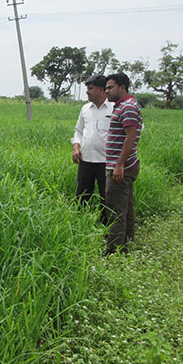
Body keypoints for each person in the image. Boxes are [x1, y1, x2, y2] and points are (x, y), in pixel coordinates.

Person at [104, 72, 143, 255]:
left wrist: (119, 164)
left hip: (121, 168)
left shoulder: (127, 107)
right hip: (122, 165)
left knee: (115, 212)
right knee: (126, 210)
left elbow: (131, 136)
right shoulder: (123, 106)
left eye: (110, 87)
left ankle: (113, 253)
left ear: (122, 87)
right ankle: (127, 247)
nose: (107, 91)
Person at [71, 75, 112, 222]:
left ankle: (106, 229)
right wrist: (76, 146)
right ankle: (79, 223)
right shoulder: (85, 109)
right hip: (86, 159)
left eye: (90, 88)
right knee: (82, 195)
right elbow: (78, 131)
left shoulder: (114, 108)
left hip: (106, 162)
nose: (87, 92)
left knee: (106, 197)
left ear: (101, 90)